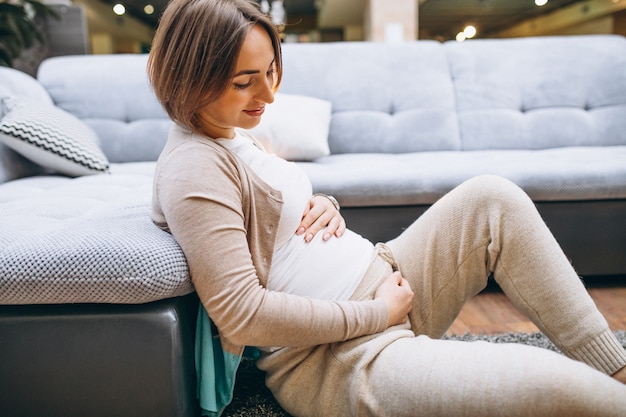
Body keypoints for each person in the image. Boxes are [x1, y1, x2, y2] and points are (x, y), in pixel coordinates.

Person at [147, 0, 626, 415]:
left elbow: (272, 211)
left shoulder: (229, 132)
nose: (270, 95)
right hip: (339, 358)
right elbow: (241, 313)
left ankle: (616, 368)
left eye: (271, 71)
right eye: (244, 82)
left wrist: (324, 205)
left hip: (390, 276)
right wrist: (376, 314)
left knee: (492, 198)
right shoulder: (193, 168)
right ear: (191, 79)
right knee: (545, 385)